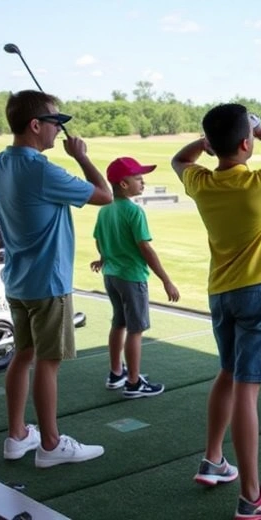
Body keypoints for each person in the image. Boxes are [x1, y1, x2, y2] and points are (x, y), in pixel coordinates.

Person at [172, 106, 261, 519]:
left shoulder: (201, 181)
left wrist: (206, 143)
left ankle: (213, 459)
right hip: (257, 293)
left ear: (212, 146)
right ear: (246, 143)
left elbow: (180, 160)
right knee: (247, 388)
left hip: (220, 295)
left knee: (227, 374)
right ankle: (253, 496)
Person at [0, 90, 112, 468]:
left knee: (23, 355)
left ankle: (17, 436)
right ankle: (50, 444)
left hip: (18, 281)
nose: (59, 131)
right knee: (48, 361)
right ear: (35, 125)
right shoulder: (42, 170)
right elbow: (105, 195)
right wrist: (82, 157)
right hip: (49, 284)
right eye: (56, 123)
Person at [90, 156, 180, 398]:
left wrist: (103, 258)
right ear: (123, 184)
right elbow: (146, 249)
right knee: (136, 329)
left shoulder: (105, 209)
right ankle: (133, 383)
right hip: (131, 278)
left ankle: (116, 372)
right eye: (138, 178)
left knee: (118, 323)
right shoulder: (134, 212)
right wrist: (166, 280)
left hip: (111, 276)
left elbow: (99, 239)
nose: (143, 182)